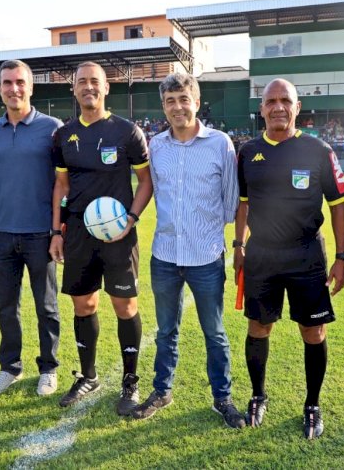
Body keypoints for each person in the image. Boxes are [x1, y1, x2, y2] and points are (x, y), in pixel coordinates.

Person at [234, 78, 344, 438]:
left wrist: (342, 256)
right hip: (262, 255)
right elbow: (243, 204)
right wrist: (238, 244)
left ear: (297, 107)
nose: (278, 107)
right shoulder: (247, 151)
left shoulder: (318, 150)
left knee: (313, 331)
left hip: (306, 256)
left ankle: (312, 404)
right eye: (271, 101)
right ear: (262, 108)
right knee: (258, 327)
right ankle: (257, 395)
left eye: (286, 100)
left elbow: (338, 206)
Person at [131, 73, 245, 428]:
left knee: (214, 332)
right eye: (170, 101)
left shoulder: (220, 144)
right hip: (164, 254)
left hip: (206, 255)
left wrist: (232, 240)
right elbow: (152, 188)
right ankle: (162, 390)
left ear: (196, 101)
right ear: (163, 107)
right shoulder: (157, 145)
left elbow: (231, 200)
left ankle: (222, 398)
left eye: (183, 99)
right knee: (166, 331)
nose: (177, 107)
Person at [49, 61, 153, 415]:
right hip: (78, 232)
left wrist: (132, 218)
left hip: (119, 234)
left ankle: (130, 381)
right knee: (84, 304)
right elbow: (61, 186)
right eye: (82, 82)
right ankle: (88, 375)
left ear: (106, 87)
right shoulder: (63, 135)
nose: (88, 87)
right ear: (74, 89)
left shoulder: (127, 132)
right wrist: (56, 230)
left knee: (125, 306)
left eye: (95, 81)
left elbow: (146, 180)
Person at [0, 60, 62, 397]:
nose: (13, 89)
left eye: (19, 82)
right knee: (6, 306)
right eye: (7, 83)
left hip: (39, 233)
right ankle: (10, 368)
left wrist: (58, 229)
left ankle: (49, 368)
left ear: (31, 87)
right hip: (1, 233)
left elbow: (63, 182)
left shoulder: (52, 128)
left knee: (46, 306)